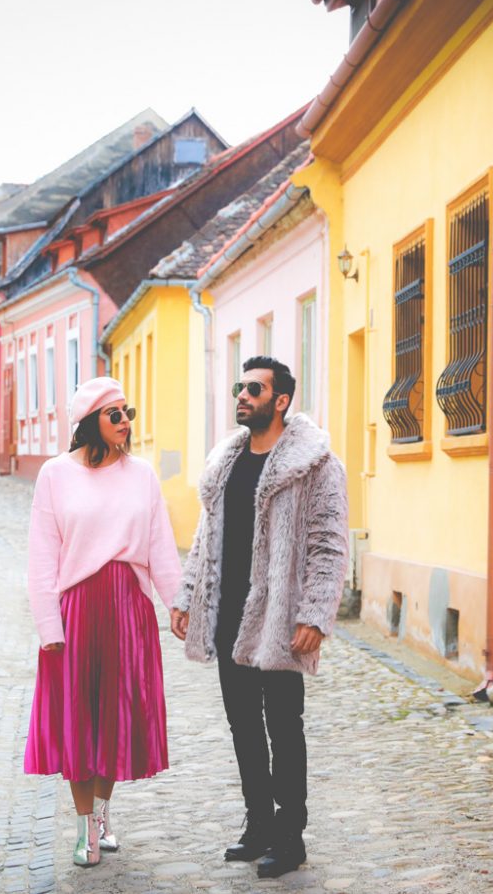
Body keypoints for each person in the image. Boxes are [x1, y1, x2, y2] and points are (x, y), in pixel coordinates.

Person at [170, 356, 349, 879]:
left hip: (279, 619)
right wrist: (187, 596)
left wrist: (315, 614)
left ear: (282, 400)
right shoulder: (227, 462)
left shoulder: (315, 464)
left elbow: (328, 545)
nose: (242, 396)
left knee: (284, 729)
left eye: (254, 388)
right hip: (229, 613)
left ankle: (290, 836)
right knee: (243, 726)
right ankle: (257, 825)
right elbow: (207, 538)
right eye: (239, 387)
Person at [22, 376, 181, 869]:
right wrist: (49, 624)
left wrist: (179, 603)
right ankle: (84, 826)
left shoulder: (142, 475)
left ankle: (104, 816)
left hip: (129, 609)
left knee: (116, 719)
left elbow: (160, 546)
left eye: (129, 412)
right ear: (91, 421)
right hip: (77, 611)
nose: (126, 422)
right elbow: (42, 555)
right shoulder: (55, 474)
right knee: (78, 721)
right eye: (116, 414)